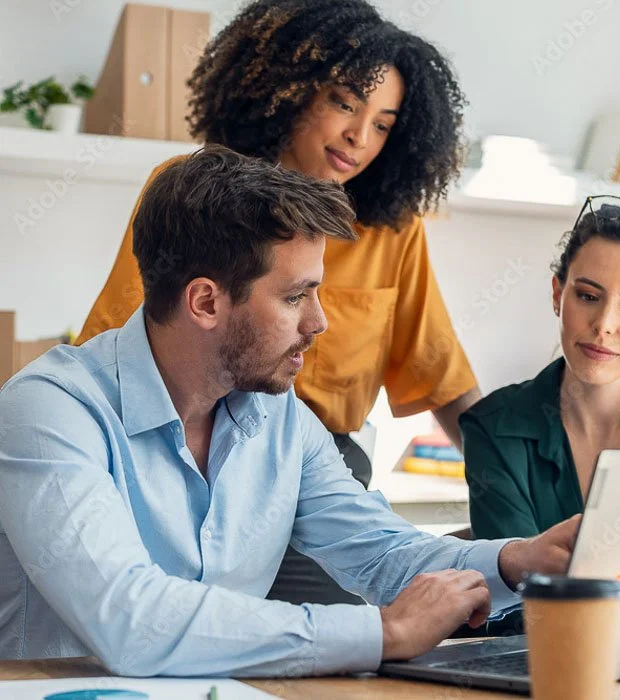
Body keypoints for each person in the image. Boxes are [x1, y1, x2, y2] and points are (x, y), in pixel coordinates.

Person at [0, 148, 578, 676]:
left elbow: (382, 551)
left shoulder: (279, 419)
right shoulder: (50, 411)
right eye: (295, 296)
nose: (319, 322)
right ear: (206, 301)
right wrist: (382, 631)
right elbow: (129, 617)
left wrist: (515, 561)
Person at [74, 0, 484, 605]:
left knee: (327, 660)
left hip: (321, 475)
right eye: (344, 103)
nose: (358, 137)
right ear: (285, 90)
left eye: (383, 123)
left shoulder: (393, 231)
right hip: (188, 456)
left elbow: (443, 377)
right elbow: (117, 343)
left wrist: (518, 482)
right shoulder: (196, 197)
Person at [460, 195, 620, 540]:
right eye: (588, 296)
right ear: (558, 295)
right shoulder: (492, 428)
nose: (604, 324)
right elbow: (514, 582)